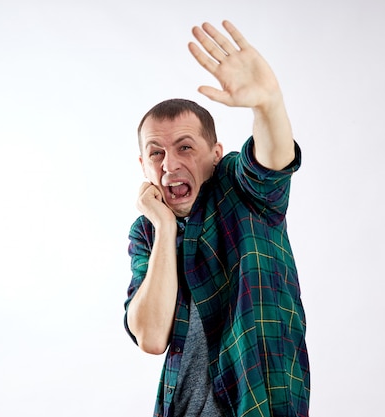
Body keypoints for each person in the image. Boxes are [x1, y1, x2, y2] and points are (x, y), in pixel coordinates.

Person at [124, 20, 310, 417]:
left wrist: (268, 104)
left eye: (185, 147)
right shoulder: (147, 231)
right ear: (143, 164)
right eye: (156, 152)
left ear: (215, 153)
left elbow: (270, 163)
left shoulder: (238, 188)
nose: (170, 164)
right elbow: (152, 336)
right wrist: (164, 226)